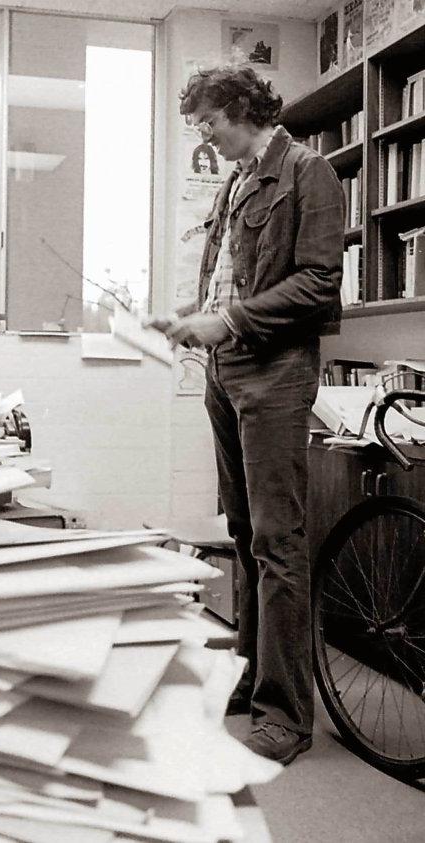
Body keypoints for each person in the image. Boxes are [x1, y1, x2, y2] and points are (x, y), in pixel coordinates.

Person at [147, 66, 344, 765]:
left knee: (277, 542)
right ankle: (250, 677)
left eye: (208, 121)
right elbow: (231, 277)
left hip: (276, 373)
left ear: (240, 107)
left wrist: (225, 319)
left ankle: (286, 714)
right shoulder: (235, 184)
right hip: (227, 374)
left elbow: (319, 285)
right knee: (242, 531)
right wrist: (193, 320)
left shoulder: (307, 170)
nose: (204, 135)